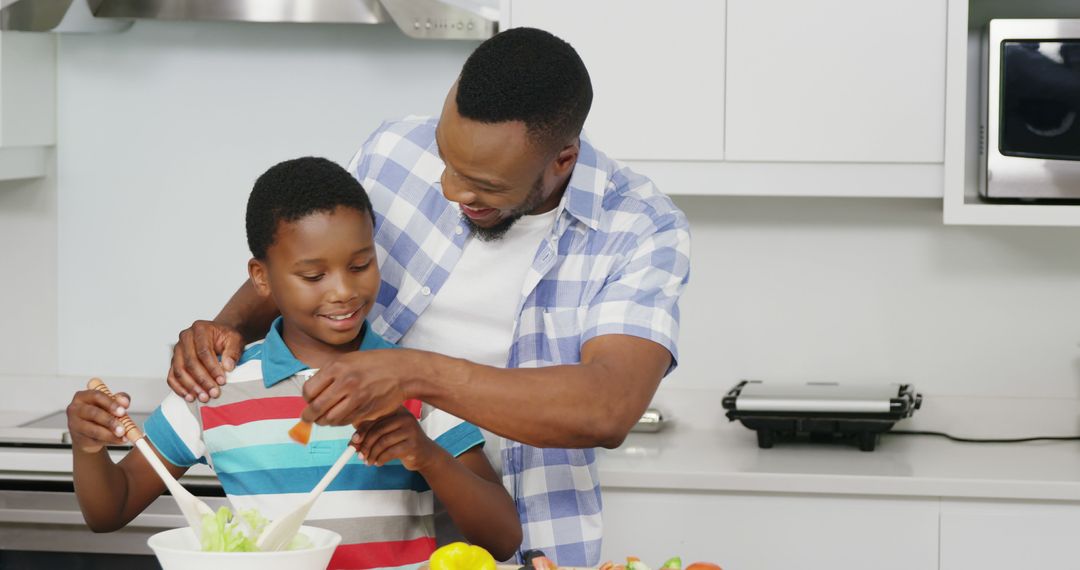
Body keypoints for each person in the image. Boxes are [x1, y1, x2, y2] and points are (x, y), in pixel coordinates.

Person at [166, 27, 691, 566]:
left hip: (526, 547)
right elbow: (310, 261)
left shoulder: (639, 227)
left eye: (483, 184)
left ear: (561, 160)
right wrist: (223, 329)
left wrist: (410, 374)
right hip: (381, 543)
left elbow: (607, 407)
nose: (450, 189)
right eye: (445, 158)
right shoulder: (394, 151)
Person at [65, 157, 520, 569]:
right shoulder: (217, 386)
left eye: (360, 265)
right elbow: (111, 510)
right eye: (313, 276)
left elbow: (501, 537)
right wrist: (88, 449)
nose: (342, 291)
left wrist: (427, 455)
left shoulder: (413, 380)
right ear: (261, 277)